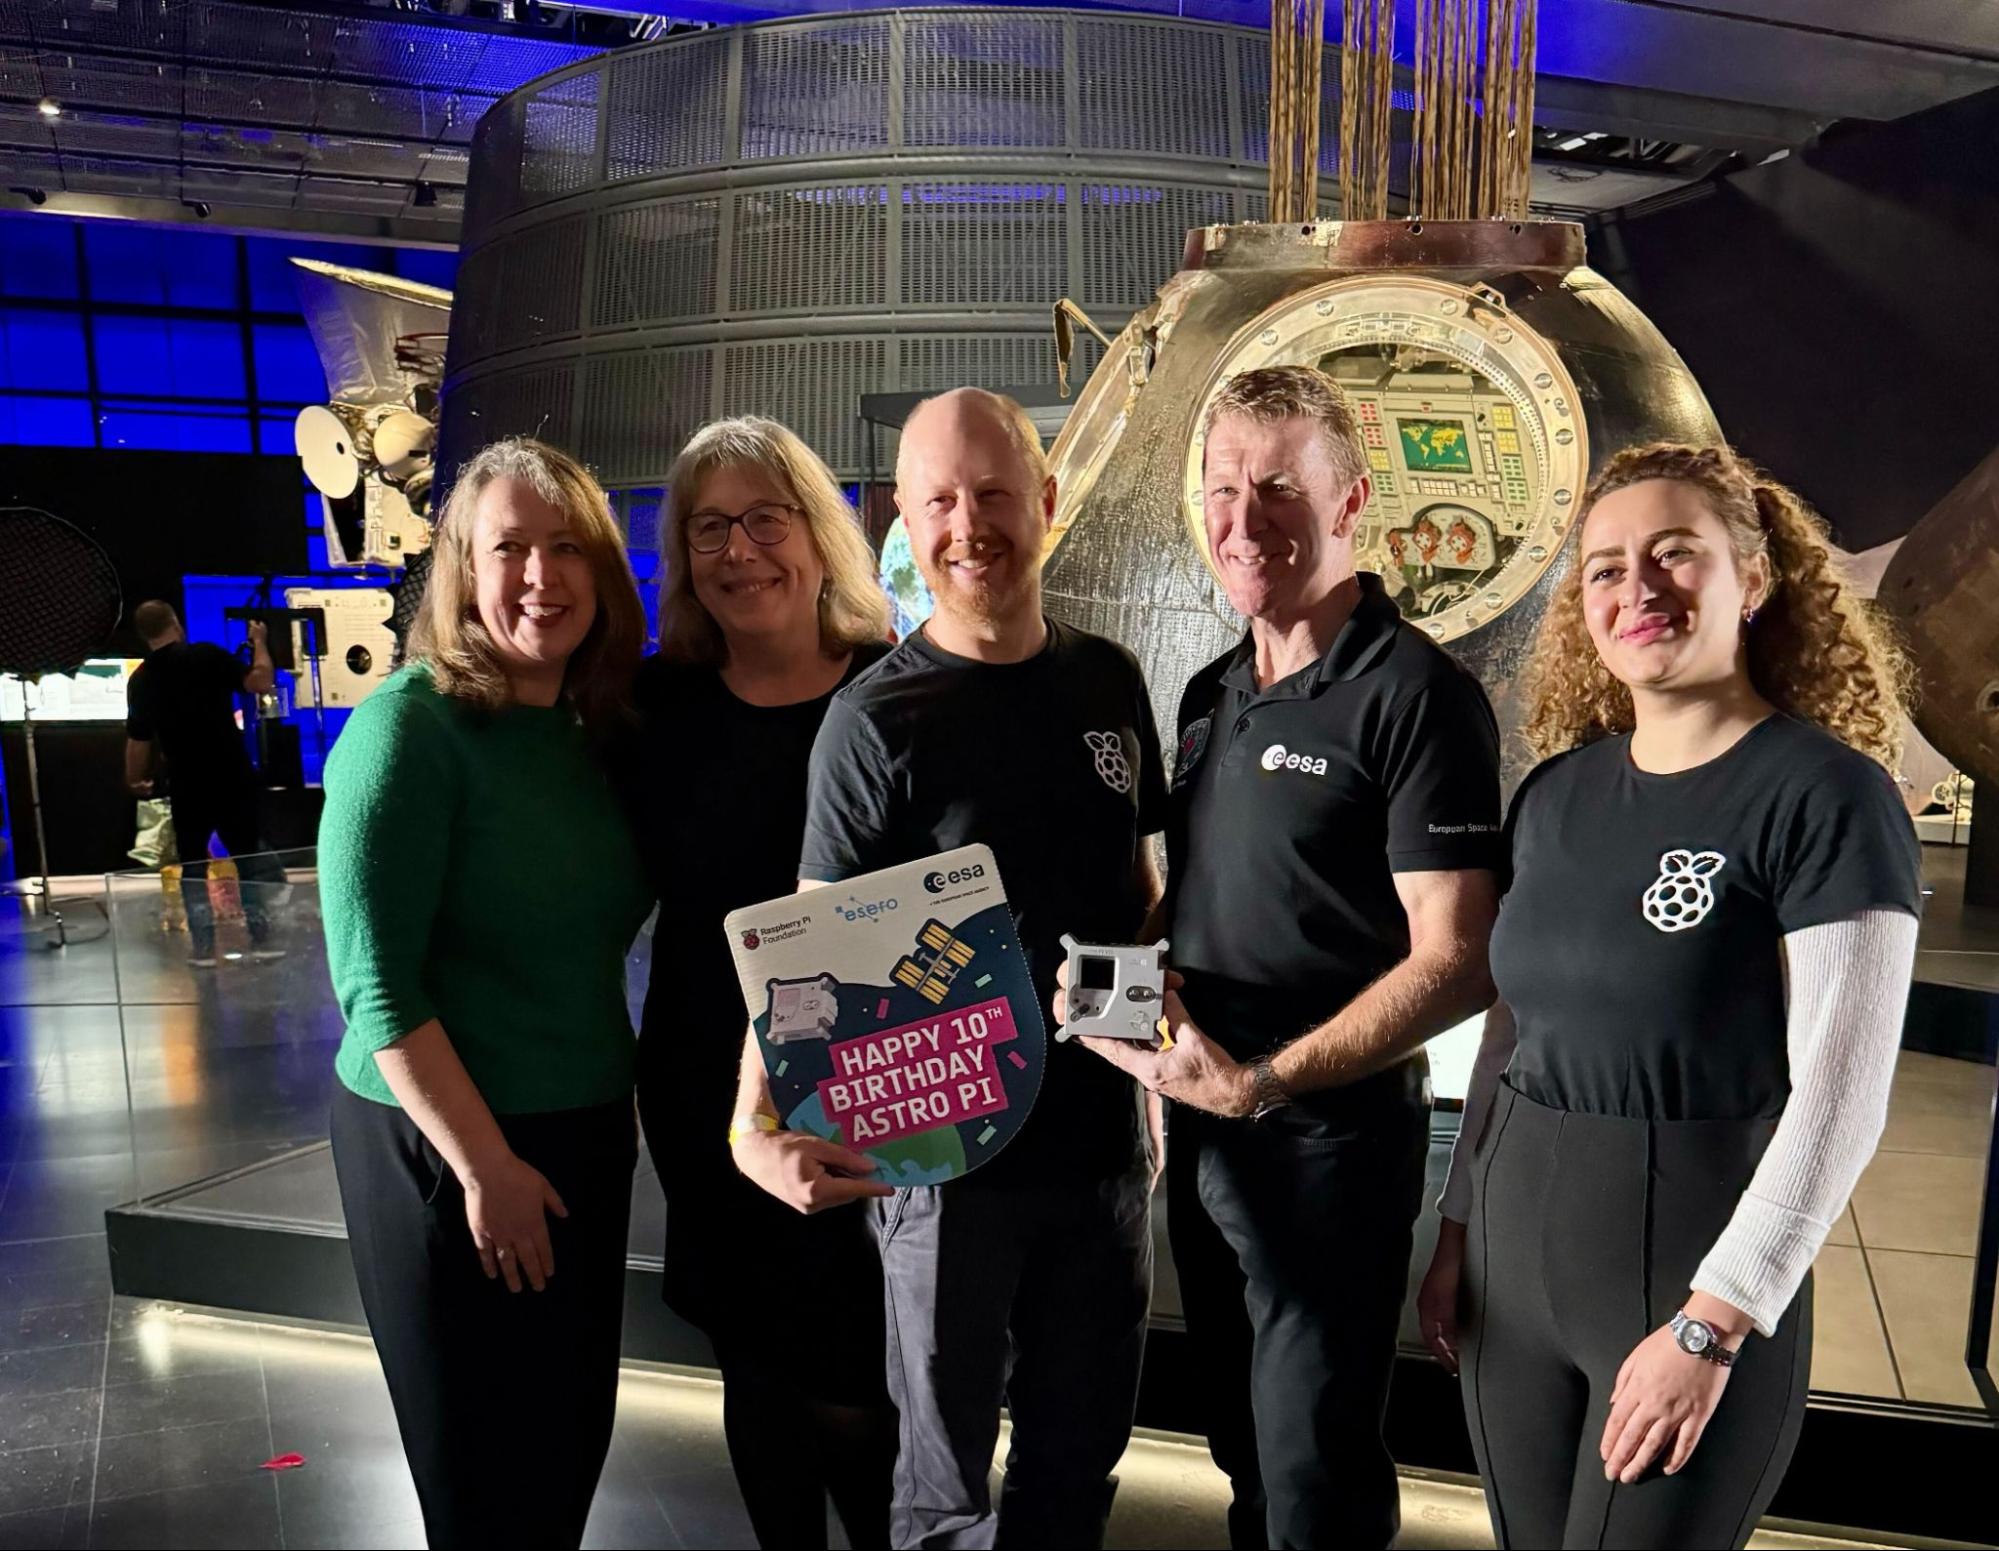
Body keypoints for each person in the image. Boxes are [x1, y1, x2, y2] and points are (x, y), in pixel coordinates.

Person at [1416, 444, 1921, 1550]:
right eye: (1603, 568)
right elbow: (1510, 1032)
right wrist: (1454, 1232)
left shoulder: (1828, 797)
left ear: (1753, 578)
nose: (1635, 589)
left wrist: (1711, 1326)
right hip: (1513, 1264)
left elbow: (1842, 1100)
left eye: (1673, 554)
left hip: (1690, 1277)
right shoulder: (1555, 794)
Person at [1066, 365, 1503, 1549]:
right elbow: (1204, 905)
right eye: (1219, 490)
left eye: (1275, 488)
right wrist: (1114, 986)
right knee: (1243, 1453)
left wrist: (1264, 1084)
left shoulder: (1418, 698)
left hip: (1328, 1149)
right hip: (1205, 1129)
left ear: (1351, 499)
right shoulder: (1212, 693)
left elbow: (1457, 960)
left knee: (1316, 1474)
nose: (1242, 521)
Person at [729, 388, 1169, 1550]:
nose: (968, 524)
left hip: (1098, 1159)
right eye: (938, 501)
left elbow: (1137, 891)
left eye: (991, 494)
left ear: (1047, 503)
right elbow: (807, 957)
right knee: (944, 1492)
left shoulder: (1110, 683)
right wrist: (751, 1120)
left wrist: (1160, 1066)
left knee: (1079, 1466)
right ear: (902, 524)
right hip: (943, 1169)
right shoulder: (876, 722)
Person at [320, 437, 652, 1549]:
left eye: (569, 549)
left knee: (565, 1459)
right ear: (462, 564)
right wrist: (484, 1166)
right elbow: (376, 990)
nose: (541, 578)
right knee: (481, 1486)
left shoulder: (593, 734)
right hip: (442, 1148)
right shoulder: (406, 731)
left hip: (582, 1129)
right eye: (510, 547)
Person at [619, 416, 897, 1548]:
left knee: (860, 1367)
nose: (740, 552)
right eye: (709, 529)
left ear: (818, 534)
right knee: (755, 1359)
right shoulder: (652, 711)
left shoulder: (894, 694)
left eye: (765, 520)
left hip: (866, 1078)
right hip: (700, 1086)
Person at [123, 600, 286, 966]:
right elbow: (260, 681)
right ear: (176, 623)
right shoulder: (207, 656)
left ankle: (202, 950)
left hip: (186, 783)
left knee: (193, 865)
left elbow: (138, 738)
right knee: (247, 859)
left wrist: (135, 778)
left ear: (143, 635)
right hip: (231, 776)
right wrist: (259, 641)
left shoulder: (142, 679)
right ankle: (261, 940)